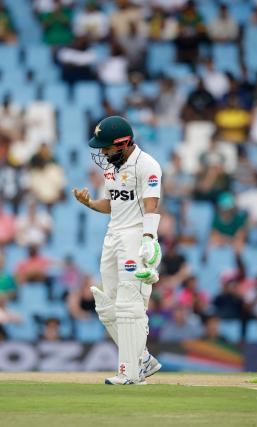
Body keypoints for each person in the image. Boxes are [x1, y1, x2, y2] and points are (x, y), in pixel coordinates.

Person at [72, 115, 162, 385]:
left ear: (123, 143)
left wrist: (148, 237)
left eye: (106, 148)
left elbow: (151, 203)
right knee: (108, 306)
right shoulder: (111, 167)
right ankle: (143, 358)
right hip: (113, 235)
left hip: (135, 234)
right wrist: (89, 203)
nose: (102, 153)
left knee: (128, 304)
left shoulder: (147, 165)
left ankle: (129, 372)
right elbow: (113, 204)